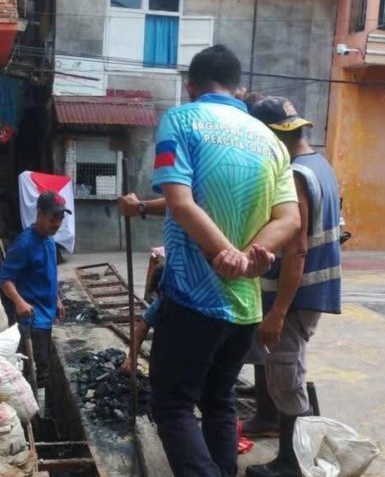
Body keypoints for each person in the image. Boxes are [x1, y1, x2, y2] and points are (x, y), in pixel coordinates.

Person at [144, 45, 301, 477]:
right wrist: (249, 260)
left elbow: (179, 201)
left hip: (194, 297)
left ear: (190, 86)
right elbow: (289, 219)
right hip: (246, 306)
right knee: (219, 399)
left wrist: (224, 254)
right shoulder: (271, 141)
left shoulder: (181, 120)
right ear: (239, 89)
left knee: (173, 404)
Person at [244, 96, 342, 477]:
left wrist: (278, 312)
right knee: (287, 369)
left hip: (296, 294)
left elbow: (298, 249)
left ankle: (292, 463)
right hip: (311, 292)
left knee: (287, 376)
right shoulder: (321, 165)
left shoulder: (296, 175)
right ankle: (292, 449)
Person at [0, 191, 69, 398]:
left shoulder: (49, 240)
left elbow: (48, 273)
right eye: (53, 218)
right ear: (39, 213)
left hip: (46, 316)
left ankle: (41, 406)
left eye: (60, 219)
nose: (57, 224)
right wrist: (19, 301)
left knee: (43, 367)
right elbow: (5, 278)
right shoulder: (25, 244)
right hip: (32, 319)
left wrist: (56, 298)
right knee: (38, 371)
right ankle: (35, 410)